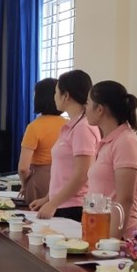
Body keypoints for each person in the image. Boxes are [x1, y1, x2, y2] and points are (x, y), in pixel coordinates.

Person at [30, 70, 100, 222]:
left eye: (56, 92)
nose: (54, 97)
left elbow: (82, 174)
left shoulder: (83, 127)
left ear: (66, 95)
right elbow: (64, 173)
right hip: (63, 204)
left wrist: (53, 203)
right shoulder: (72, 125)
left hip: (74, 206)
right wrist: (48, 198)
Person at [85, 81, 137, 239]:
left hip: (118, 237)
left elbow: (125, 200)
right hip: (99, 230)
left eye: (88, 103)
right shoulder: (108, 141)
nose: (85, 108)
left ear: (100, 109)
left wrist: (111, 242)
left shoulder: (126, 142)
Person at [18, 78, 65, 204]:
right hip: (64, 180)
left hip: (40, 180)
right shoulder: (69, 125)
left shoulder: (34, 127)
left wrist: (25, 184)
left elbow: (23, 168)